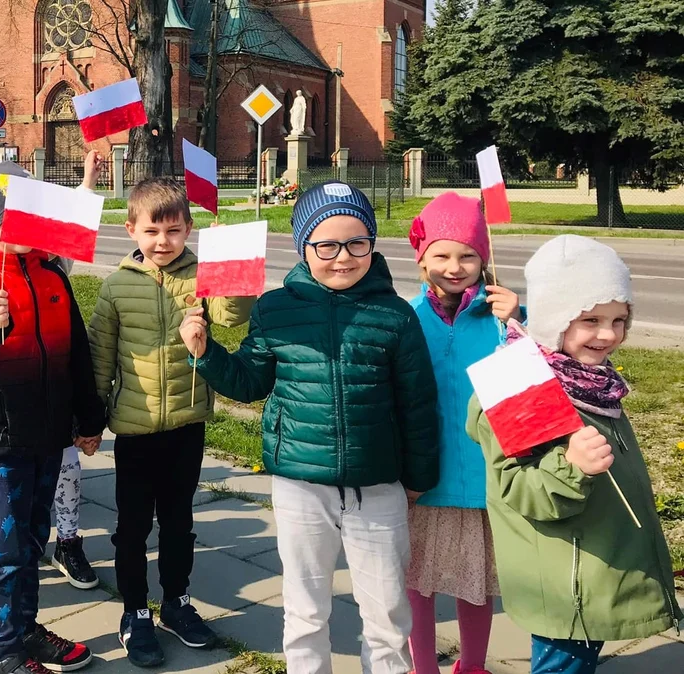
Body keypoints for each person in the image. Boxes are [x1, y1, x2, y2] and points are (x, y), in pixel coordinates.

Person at [179, 181, 440, 673]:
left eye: (357, 242)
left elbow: (418, 406)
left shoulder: (395, 315)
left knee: (386, 612)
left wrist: (419, 478)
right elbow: (250, 380)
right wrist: (205, 353)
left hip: (377, 485)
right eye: (327, 244)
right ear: (304, 246)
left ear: (372, 245)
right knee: (305, 608)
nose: (343, 257)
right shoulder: (276, 309)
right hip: (300, 484)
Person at [469, 235, 680, 674]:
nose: (608, 333)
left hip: (594, 564)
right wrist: (572, 467)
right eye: (590, 319)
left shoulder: (590, 379)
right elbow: (519, 487)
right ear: (552, 319)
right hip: (567, 583)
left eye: (619, 319)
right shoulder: (519, 385)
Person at [0, 161, 106, 674]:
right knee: (7, 549)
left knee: (34, 538)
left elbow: (76, 352)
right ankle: (3, 650)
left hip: (50, 434)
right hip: (2, 438)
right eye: (12, 220)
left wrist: (89, 418)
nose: (22, 230)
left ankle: (25, 629)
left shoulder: (52, 273)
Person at [88, 176, 254, 666]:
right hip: (135, 431)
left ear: (188, 230)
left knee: (179, 523)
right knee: (133, 527)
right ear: (132, 230)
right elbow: (101, 356)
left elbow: (231, 314)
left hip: (186, 424)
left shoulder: (201, 274)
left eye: (175, 231)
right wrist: (92, 417)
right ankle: (135, 612)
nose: (164, 242)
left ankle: (176, 603)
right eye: (153, 232)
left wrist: (230, 261)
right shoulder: (116, 286)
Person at [405, 193, 520, 674]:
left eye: (468, 255)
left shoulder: (502, 320)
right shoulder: (408, 316)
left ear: (484, 257)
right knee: (418, 582)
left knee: (476, 583)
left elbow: (538, 372)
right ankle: (424, 666)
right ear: (423, 257)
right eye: (442, 254)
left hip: (483, 478)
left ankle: (472, 665)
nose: (455, 266)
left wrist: (516, 321)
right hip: (424, 479)